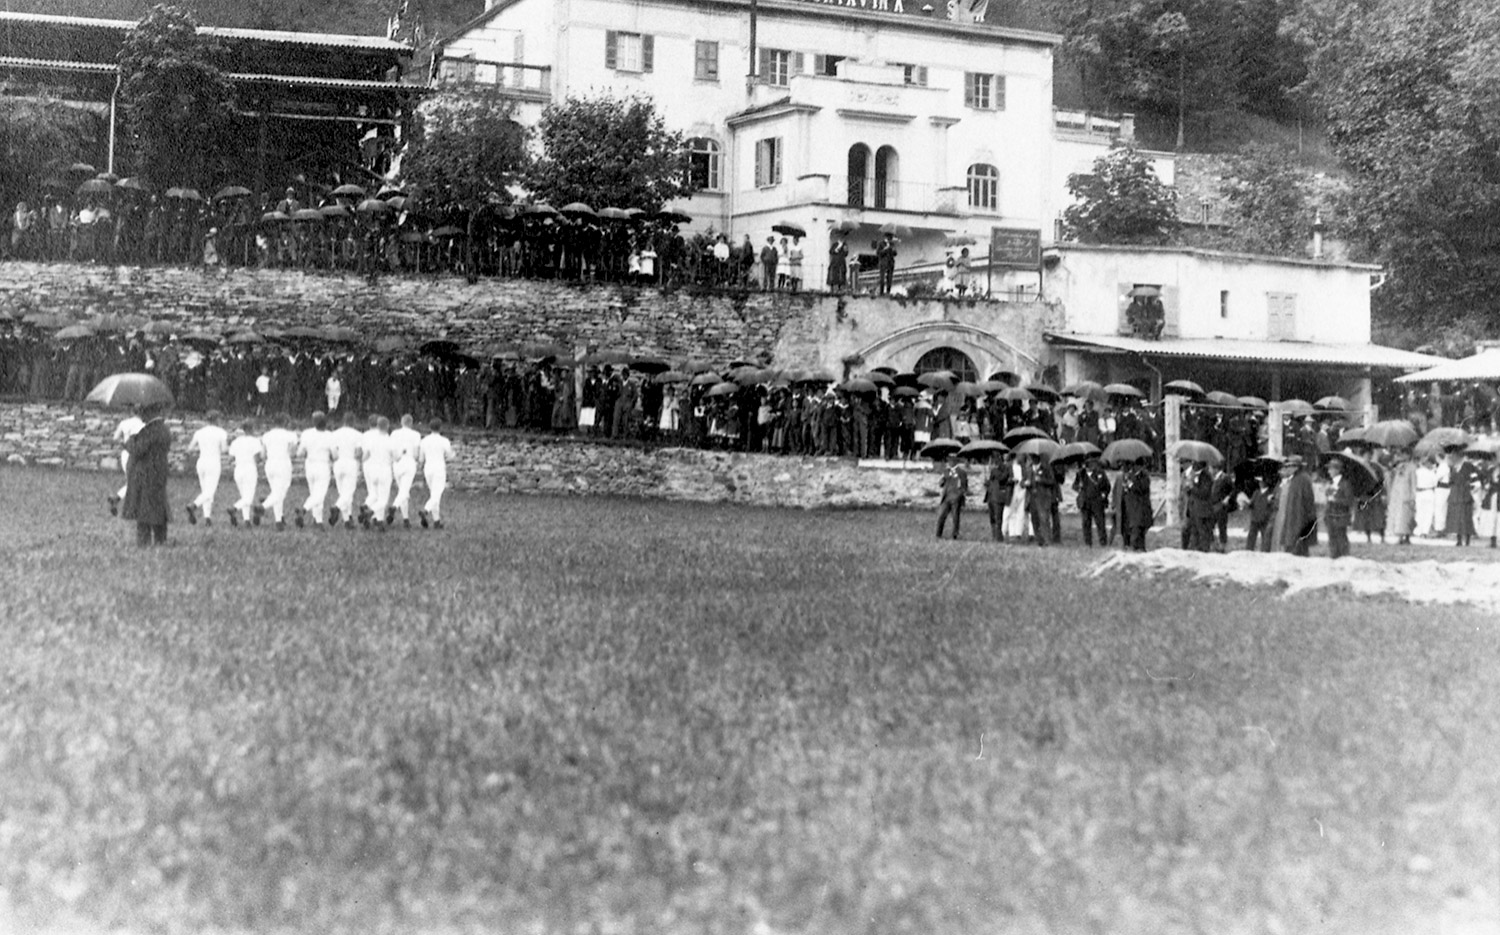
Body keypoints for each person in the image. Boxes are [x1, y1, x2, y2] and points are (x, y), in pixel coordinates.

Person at [120, 400, 172, 546]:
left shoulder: (151, 430)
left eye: (143, 412)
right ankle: (160, 539)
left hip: (147, 473)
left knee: (145, 507)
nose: (141, 415)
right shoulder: (162, 429)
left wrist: (129, 441)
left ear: (150, 413)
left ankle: (144, 541)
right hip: (158, 471)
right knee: (158, 506)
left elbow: (138, 449)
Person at [185, 410, 229, 526]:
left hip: (201, 461)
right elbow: (224, 449)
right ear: (217, 419)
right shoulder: (221, 432)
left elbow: (189, 449)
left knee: (205, 490)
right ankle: (194, 505)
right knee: (209, 491)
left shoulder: (199, 432)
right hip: (213, 462)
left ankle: (207, 517)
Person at [259, 413, 299, 530]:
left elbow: (263, 455)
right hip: (283, 463)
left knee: (275, 491)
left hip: (270, 464)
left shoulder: (266, 436)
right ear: (285, 423)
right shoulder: (290, 435)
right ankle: (262, 507)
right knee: (280, 492)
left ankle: (279, 520)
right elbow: (292, 453)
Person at [1272, 455, 1318, 556]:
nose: (1288, 468)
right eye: (1287, 466)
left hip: (1300, 517)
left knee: (1299, 544)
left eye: (1290, 466)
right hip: (1292, 517)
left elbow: (1307, 501)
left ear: (1296, 467)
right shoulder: (1294, 479)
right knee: (1291, 542)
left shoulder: (1303, 479)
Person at [296, 411, 334, 528]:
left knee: (314, 493)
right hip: (322, 465)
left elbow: (300, 453)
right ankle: (304, 509)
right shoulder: (329, 436)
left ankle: (318, 520)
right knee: (319, 494)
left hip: (310, 464)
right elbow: (335, 455)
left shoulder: (307, 434)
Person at [329, 411, 364, 527]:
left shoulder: (334, 434)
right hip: (350, 462)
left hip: (338, 463)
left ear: (343, 421)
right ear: (353, 422)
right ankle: (337, 507)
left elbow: (333, 453)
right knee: (348, 492)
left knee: (342, 492)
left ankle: (347, 519)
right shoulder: (358, 435)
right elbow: (358, 453)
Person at [108, 407, 145, 516]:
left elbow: (115, 438)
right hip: (136, 454)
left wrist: (124, 442)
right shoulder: (142, 425)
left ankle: (117, 499)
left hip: (125, 454)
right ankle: (125, 503)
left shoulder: (124, 423)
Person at [418, 418, 455, 529]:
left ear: (430, 427)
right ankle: (426, 510)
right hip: (439, 468)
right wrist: (453, 453)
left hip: (428, 468)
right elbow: (450, 456)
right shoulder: (444, 441)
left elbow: (421, 458)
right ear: (440, 428)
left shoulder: (424, 441)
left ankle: (436, 521)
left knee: (434, 494)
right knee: (437, 494)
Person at [360, 415, 395, 529]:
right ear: (387, 426)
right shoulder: (390, 440)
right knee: (383, 499)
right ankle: (371, 512)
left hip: (372, 470)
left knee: (373, 494)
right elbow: (396, 457)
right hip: (384, 470)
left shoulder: (372, 440)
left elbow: (365, 456)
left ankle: (368, 507)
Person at [389, 413, 424, 527]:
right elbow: (416, 453)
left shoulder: (394, 433)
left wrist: (396, 458)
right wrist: (417, 460)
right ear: (411, 423)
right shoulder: (416, 435)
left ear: (401, 422)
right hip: (409, 462)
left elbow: (392, 450)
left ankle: (406, 519)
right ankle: (394, 506)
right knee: (404, 490)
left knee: (402, 490)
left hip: (397, 463)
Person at [227, 419, 263, 527]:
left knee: (244, 496)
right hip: (249, 469)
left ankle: (246, 520)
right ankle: (234, 508)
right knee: (248, 497)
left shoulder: (236, 442)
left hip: (238, 469)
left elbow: (230, 459)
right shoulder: (255, 441)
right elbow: (257, 458)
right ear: (252, 428)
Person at [1074, 455, 1110, 547]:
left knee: (1100, 522)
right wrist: (1079, 487)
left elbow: (1107, 486)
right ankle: (1088, 543)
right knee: (1086, 523)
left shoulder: (1100, 473)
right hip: (1085, 502)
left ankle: (1103, 542)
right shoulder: (1081, 474)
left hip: (1097, 501)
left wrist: (1104, 494)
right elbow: (1075, 486)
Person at [1119, 458, 1153, 551]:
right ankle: (1130, 546)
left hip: (1140, 508)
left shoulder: (1144, 476)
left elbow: (1142, 488)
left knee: (1138, 529)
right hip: (1129, 508)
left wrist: (1131, 485)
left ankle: (1137, 548)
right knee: (1129, 529)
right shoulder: (1128, 476)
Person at [1384, 450, 1417, 545]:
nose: (1403, 456)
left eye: (1405, 454)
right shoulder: (1399, 467)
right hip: (1398, 495)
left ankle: (1407, 537)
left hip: (1407, 494)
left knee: (1407, 517)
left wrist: (1413, 496)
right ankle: (1400, 536)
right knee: (1399, 517)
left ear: (1409, 455)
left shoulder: (1412, 467)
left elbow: (1413, 482)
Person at [1324, 457, 1354, 558]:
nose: (1329, 471)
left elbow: (1349, 501)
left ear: (1337, 470)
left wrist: (1336, 500)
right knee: (1331, 538)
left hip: (1341, 516)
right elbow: (1328, 498)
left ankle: (1344, 556)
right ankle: (1333, 557)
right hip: (1331, 515)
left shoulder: (1345, 484)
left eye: (1331, 469)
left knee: (1341, 538)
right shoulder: (1330, 483)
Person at [1446, 453, 1477, 547]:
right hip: (1455, 495)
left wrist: (1470, 488)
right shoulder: (1453, 467)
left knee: (1466, 517)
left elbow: (1475, 480)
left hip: (1465, 495)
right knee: (1457, 518)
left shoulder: (1469, 466)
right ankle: (1459, 539)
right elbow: (1450, 481)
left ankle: (1467, 539)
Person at [935, 454, 969, 539]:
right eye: (949, 460)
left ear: (955, 461)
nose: (949, 462)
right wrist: (942, 480)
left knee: (955, 517)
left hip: (955, 497)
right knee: (941, 515)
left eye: (951, 460)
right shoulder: (946, 471)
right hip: (946, 497)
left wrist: (959, 494)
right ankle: (938, 534)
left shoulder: (961, 472)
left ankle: (955, 534)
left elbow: (964, 486)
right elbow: (941, 484)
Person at [984, 452, 1014, 542]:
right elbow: (991, 480)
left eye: (995, 458)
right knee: (992, 517)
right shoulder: (992, 469)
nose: (994, 461)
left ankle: (998, 536)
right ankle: (994, 535)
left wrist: (994, 470)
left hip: (999, 495)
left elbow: (1002, 478)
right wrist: (987, 482)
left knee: (998, 517)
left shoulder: (1006, 467)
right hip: (991, 494)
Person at [1244, 475, 1275, 552]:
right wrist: (1246, 503)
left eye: (1261, 482)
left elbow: (1272, 506)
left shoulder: (1270, 493)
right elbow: (1251, 504)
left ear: (1266, 482)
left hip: (1264, 519)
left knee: (1265, 537)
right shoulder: (1256, 492)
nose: (1260, 483)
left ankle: (1265, 551)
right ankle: (1248, 550)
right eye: (1259, 482)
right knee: (1251, 536)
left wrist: (1270, 502)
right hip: (1255, 518)